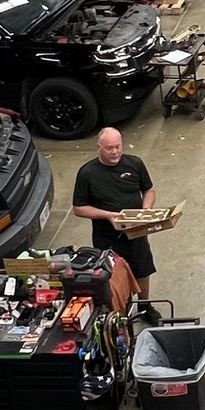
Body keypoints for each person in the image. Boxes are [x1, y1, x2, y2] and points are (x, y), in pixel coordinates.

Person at [71, 128, 159, 299]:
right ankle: (120, 313)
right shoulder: (87, 173)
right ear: (99, 147)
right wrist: (108, 215)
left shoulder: (135, 164)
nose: (115, 151)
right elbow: (79, 208)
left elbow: (149, 190)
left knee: (142, 270)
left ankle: (144, 306)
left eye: (118, 146)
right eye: (109, 148)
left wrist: (146, 210)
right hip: (107, 238)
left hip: (136, 232)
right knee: (114, 277)